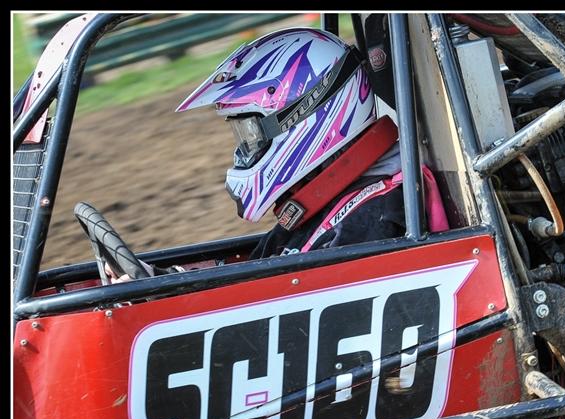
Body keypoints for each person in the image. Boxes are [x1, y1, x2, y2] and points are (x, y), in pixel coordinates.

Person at [107, 27, 448, 282]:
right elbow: (257, 274)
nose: (245, 149)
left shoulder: (374, 214)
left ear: (308, 116)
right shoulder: (319, 201)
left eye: (252, 133)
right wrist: (168, 278)